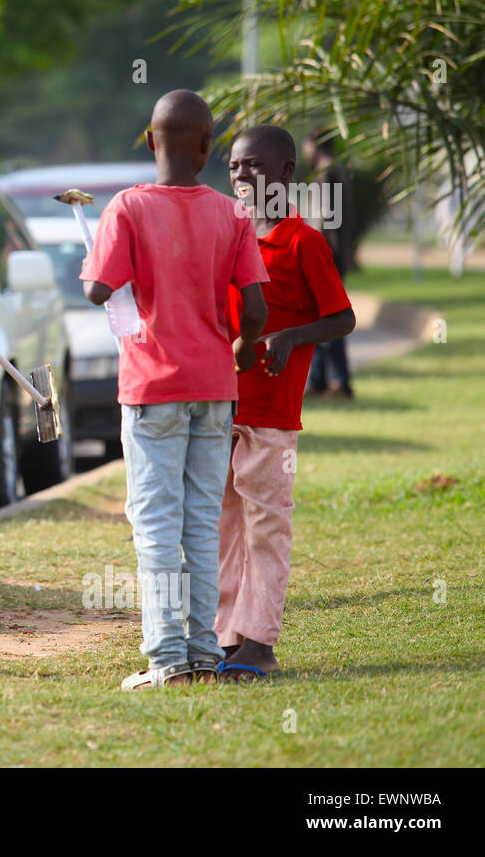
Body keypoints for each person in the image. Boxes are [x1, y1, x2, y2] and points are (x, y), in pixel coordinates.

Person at [80, 89, 269, 691]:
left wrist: (106, 264)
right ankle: (202, 654)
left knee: (156, 523)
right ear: (209, 148)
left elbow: (97, 290)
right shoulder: (232, 214)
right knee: (199, 523)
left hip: (151, 388)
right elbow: (257, 310)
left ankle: (168, 659)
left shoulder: (127, 207)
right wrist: (233, 351)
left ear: (149, 140)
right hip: (214, 386)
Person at [217, 125, 356, 680]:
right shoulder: (227, 233)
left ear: (286, 172)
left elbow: (343, 317)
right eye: (232, 166)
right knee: (223, 528)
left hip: (272, 415)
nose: (241, 176)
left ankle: (260, 643)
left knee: (266, 527)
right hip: (219, 407)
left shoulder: (303, 240)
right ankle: (226, 636)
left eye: (253, 165)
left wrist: (291, 336)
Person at [303, 129, 356, 398]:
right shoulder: (338, 170)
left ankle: (338, 381)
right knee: (321, 317)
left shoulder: (325, 173)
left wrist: (311, 254)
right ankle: (319, 380)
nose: (305, 153)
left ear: (315, 145)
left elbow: (324, 219)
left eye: (306, 146)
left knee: (328, 319)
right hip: (336, 256)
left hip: (326, 257)